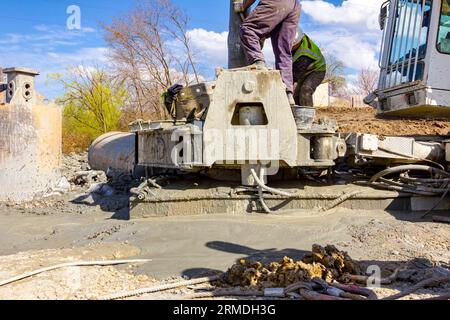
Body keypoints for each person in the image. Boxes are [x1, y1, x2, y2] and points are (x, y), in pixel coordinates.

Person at [238, 0, 301, 105]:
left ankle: (258, 63)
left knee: (248, 29)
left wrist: (242, 5)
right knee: (283, 52)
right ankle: (287, 92)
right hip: (294, 6)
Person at [291, 28, 326, 107]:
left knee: (305, 90)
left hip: (317, 70)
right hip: (306, 70)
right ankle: (297, 117)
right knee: (296, 96)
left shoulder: (304, 54)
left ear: (297, 43)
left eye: (291, 46)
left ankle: (308, 117)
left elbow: (295, 76)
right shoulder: (298, 35)